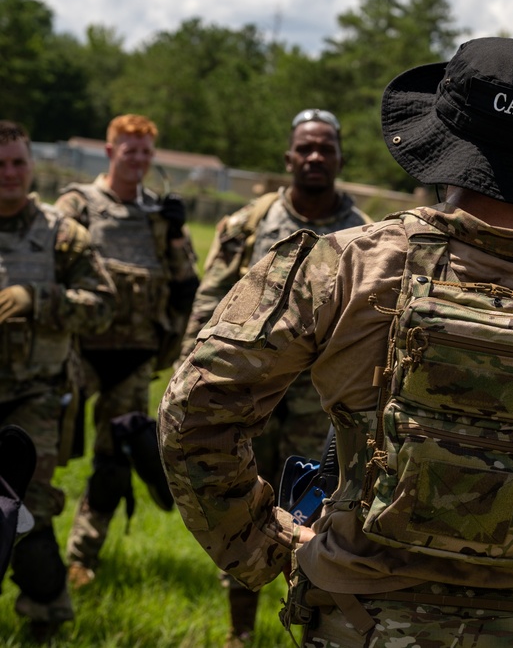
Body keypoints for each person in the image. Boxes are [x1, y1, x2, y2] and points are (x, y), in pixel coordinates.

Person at [159, 36, 513, 648]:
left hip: (353, 622)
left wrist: (269, 548)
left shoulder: (343, 267)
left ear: (441, 140)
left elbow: (195, 408)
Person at [179, 108, 371, 648]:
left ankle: (310, 627)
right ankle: (240, 632)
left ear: (339, 159)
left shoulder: (365, 237)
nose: (314, 157)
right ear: (288, 157)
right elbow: (209, 304)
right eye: (305, 149)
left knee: (321, 515)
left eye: (325, 149)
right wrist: (191, 377)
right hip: (251, 399)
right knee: (243, 510)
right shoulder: (247, 226)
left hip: (326, 407)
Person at [53, 113, 200, 589]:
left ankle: (80, 558)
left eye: (145, 151)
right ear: (110, 151)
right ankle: (23, 538)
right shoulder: (78, 204)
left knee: (114, 465)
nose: (137, 159)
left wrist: (177, 233)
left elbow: (185, 286)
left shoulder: (159, 215)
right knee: (42, 447)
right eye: (128, 150)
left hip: (134, 358)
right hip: (77, 352)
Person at [0, 120, 116, 640]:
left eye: (17, 162)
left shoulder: (62, 235)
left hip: (37, 397)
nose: (8, 173)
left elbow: (103, 306)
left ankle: (45, 615)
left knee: (28, 513)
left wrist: (37, 300)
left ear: (31, 165)